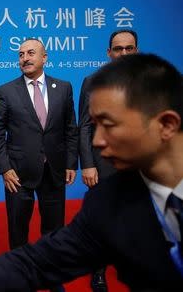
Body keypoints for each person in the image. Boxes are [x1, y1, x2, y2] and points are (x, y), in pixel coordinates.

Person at [0, 54, 183, 291]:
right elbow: (37, 262)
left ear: (167, 125)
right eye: (95, 126)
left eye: (109, 124)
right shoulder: (108, 204)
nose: (96, 141)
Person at [0, 38, 77, 292]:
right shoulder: (6, 90)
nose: (25, 58)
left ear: (44, 57)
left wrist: (71, 161)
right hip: (18, 173)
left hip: (54, 170)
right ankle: (20, 278)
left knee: (53, 230)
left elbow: (70, 129)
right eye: (20, 54)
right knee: (18, 231)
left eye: (30, 53)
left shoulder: (63, 87)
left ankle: (52, 277)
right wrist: (5, 168)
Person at [78, 29, 139, 292]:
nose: (123, 53)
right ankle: (99, 272)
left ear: (136, 50)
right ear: (109, 52)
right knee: (102, 220)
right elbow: (84, 127)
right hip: (104, 163)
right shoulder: (92, 81)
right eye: (118, 48)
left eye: (129, 48)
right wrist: (88, 164)